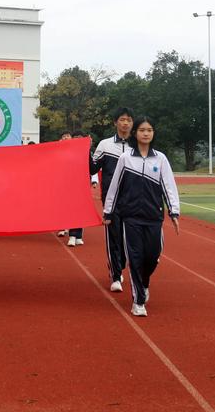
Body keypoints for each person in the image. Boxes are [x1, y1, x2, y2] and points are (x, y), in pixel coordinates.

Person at [103, 116, 180, 317]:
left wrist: (174, 212)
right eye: (142, 130)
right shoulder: (125, 159)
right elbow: (115, 187)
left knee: (153, 256)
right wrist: (108, 212)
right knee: (135, 257)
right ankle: (138, 301)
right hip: (131, 218)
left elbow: (169, 186)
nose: (146, 133)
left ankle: (144, 283)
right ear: (135, 133)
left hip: (154, 217)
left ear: (153, 133)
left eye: (150, 130)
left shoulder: (160, 159)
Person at [90, 107, 134, 291]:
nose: (125, 123)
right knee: (114, 237)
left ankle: (120, 264)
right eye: (122, 119)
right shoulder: (105, 145)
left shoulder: (138, 145)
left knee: (130, 239)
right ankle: (116, 275)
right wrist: (84, 150)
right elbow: (92, 168)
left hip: (134, 200)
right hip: (112, 199)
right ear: (115, 122)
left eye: (129, 120)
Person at [67, 130, 99, 247]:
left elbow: (92, 169)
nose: (78, 140)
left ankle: (79, 235)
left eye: (80, 138)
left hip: (83, 186)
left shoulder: (87, 152)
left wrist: (88, 149)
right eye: (75, 138)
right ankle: (72, 235)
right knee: (72, 209)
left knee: (81, 210)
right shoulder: (67, 152)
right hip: (70, 185)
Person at [57, 131, 72, 237]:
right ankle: (62, 227)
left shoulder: (77, 150)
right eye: (64, 136)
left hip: (73, 182)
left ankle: (70, 226)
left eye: (68, 136)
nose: (66, 137)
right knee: (61, 205)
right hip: (60, 181)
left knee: (71, 205)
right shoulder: (58, 150)